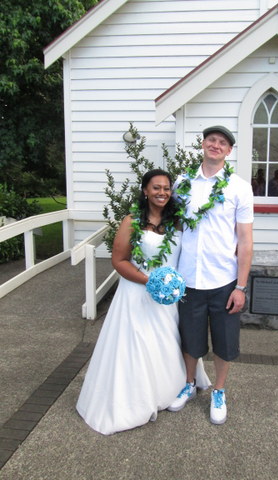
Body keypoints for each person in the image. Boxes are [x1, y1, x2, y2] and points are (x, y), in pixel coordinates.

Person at [76, 169, 211, 435]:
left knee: (168, 341)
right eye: (156, 188)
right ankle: (136, 398)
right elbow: (119, 260)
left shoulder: (178, 222)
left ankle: (172, 389)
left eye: (167, 188)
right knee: (137, 344)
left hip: (169, 298)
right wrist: (149, 281)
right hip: (137, 294)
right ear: (145, 191)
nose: (162, 193)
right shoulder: (132, 221)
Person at [168, 126, 254, 425]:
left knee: (225, 340)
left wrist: (241, 286)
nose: (215, 145)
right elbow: (171, 226)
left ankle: (219, 389)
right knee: (190, 339)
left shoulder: (239, 188)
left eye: (223, 143)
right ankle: (190, 384)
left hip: (224, 280)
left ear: (229, 151)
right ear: (203, 144)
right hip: (188, 278)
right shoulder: (181, 183)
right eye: (211, 140)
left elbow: (245, 240)